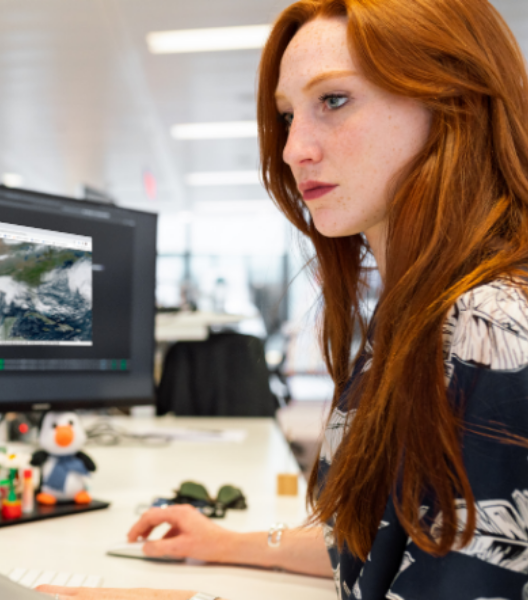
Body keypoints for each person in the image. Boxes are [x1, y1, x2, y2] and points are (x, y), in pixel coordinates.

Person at [39, 0, 528, 598]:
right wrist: (223, 545)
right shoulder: (417, 317)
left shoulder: (490, 330)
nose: (294, 148)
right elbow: (384, 550)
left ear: (454, 102)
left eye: (335, 100)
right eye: (289, 114)